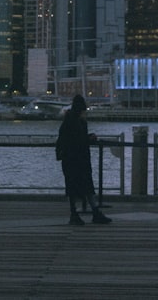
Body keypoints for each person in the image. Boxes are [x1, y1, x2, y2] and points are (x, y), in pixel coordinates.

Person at [56, 94, 111, 225]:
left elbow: (68, 140)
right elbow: (78, 140)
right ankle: (95, 212)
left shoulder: (68, 121)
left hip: (70, 160)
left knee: (73, 188)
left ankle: (75, 214)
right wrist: (89, 138)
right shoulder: (78, 122)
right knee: (87, 186)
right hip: (79, 159)